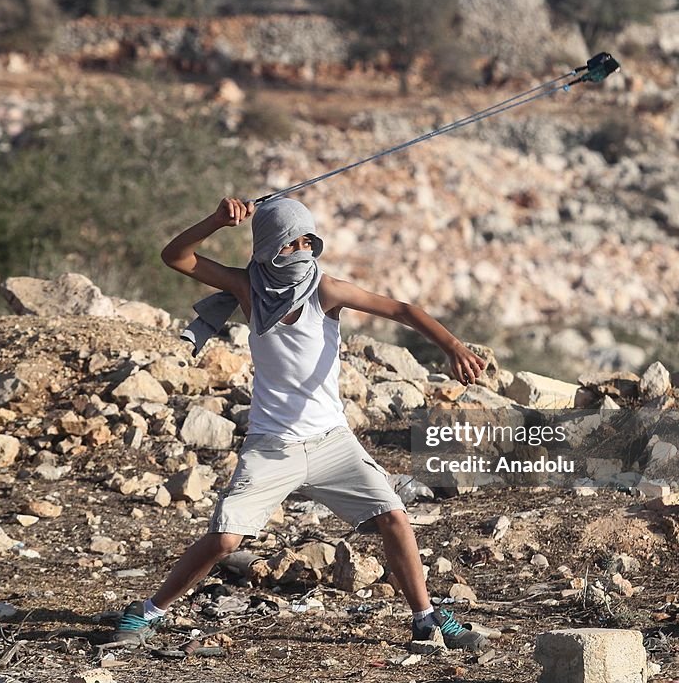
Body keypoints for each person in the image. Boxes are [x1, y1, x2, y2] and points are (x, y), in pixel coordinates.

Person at [112, 196, 491, 651]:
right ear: (268, 249)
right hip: (273, 444)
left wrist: (453, 346)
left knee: (393, 516)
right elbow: (176, 257)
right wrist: (215, 220)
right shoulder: (247, 289)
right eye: (292, 243)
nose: (303, 251)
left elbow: (402, 311)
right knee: (225, 540)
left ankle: (426, 618)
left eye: (309, 241)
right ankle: (148, 611)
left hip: (331, 441)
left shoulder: (325, 290)